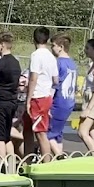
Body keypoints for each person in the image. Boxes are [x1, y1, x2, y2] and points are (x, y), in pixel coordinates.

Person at [23, 26, 59, 159]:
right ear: (47, 40)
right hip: (46, 96)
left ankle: (46, 163)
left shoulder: (36, 55)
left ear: (33, 40)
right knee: (27, 128)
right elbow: (56, 79)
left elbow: (33, 78)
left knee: (40, 132)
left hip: (38, 97)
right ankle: (27, 159)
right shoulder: (51, 57)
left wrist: (28, 99)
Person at [48, 34, 78, 156]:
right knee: (58, 134)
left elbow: (54, 85)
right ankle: (58, 155)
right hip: (69, 102)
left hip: (58, 102)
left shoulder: (58, 63)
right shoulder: (72, 64)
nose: (52, 48)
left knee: (47, 133)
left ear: (61, 47)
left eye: (53, 45)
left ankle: (60, 156)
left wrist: (48, 103)